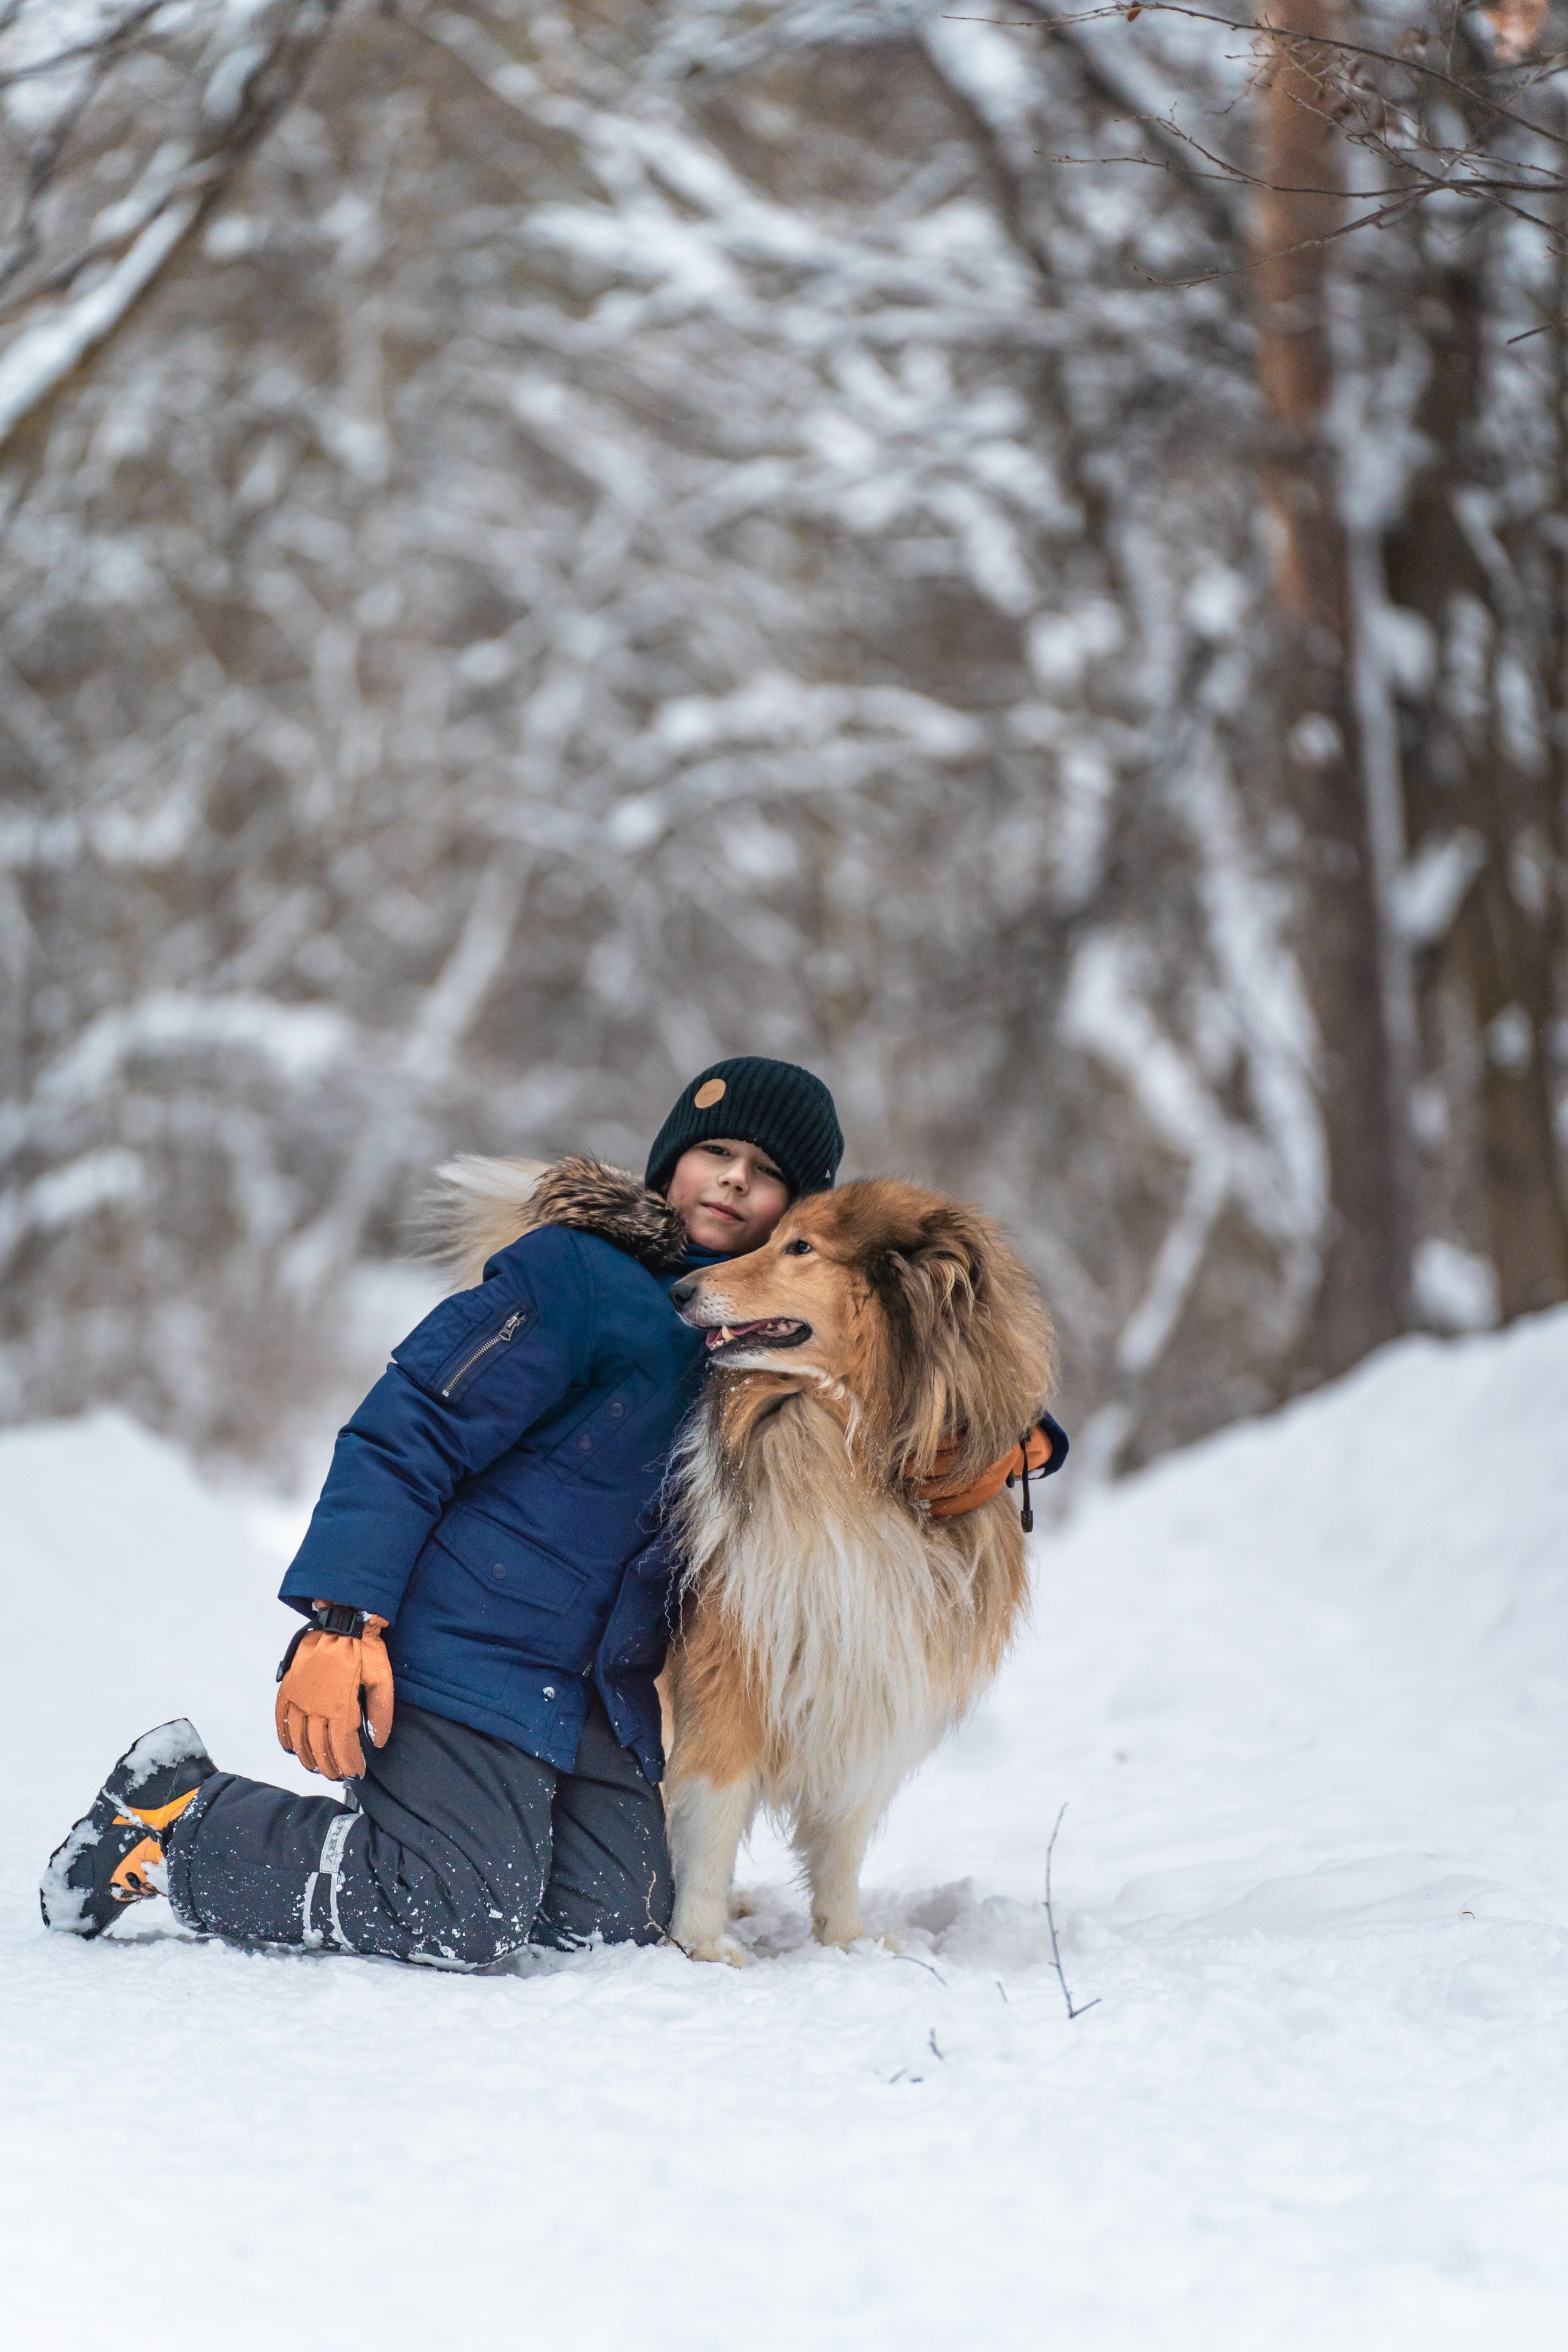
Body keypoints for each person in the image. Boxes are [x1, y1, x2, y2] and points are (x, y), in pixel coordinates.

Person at [42, 1058, 844, 1967]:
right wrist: (341, 1621)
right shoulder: (577, 1275)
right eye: (715, 1151)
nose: (736, 1178)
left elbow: (912, 1352)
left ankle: (449, 1837)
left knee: (615, 1927)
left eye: (768, 1171)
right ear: (671, 1163)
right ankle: (177, 1820)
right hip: (463, 1644)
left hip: (596, 1687)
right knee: (457, 1912)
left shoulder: (774, 1337)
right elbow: (410, 1426)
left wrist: (1009, 1437)